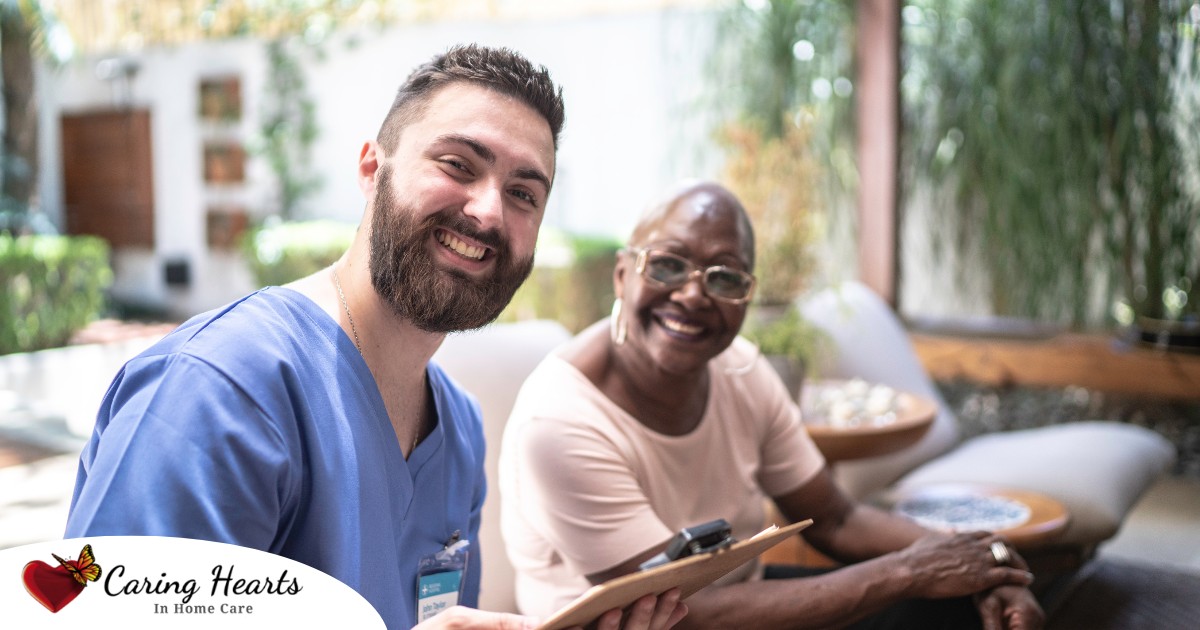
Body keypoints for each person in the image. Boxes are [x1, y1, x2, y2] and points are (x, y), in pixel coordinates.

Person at [64, 44, 686, 630]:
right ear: (371, 169)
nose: (490, 211)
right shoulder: (219, 391)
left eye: (523, 193)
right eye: (457, 165)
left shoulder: (459, 431)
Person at [499, 180, 1045, 629]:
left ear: (747, 296)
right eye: (667, 265)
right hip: (655, 624)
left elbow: (836, 518)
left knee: (958, 610)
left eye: (724, 277)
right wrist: (909, 572)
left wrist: (983, 565)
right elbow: (677, 611)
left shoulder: (741, 369)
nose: (693, 294)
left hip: (738, 604)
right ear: (623, 274)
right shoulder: (561, 421)